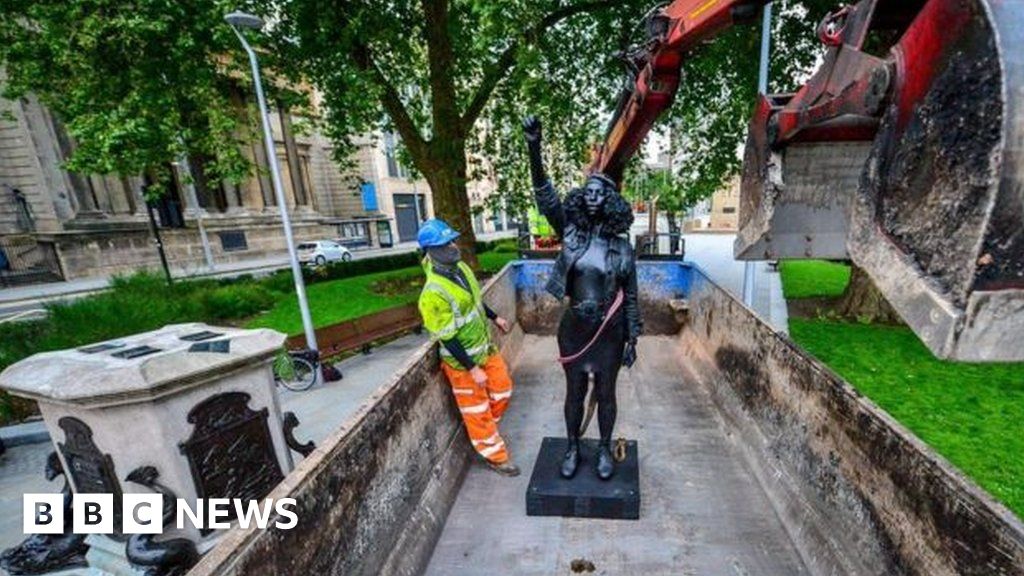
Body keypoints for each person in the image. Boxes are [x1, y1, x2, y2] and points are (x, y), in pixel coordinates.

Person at [522, 115, 642, 481]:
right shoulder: (570, 233)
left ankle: (603, 448)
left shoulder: (622, 249)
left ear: (609, 201)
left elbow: (632, 295)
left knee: (606, 393)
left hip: (609, 332)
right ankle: (573, 446)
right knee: (574, 391)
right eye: (587, 192)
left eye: (599, 194)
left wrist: (632, 338)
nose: (592, 198)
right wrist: (533, 148)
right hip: (574, 328)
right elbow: (545, 196)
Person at [416, 219, 521, 477]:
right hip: (462, 363)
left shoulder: (460, 268)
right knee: (476, 410)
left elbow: (475, 301)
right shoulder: (432, 294)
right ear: (431, 250)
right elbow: (447, 337)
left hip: (484, 348)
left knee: (503, 389)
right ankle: (494, 456)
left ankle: (483, 431)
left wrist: (495, 317)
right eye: (446, 243)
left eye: (452, 240)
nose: (454, 246)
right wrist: (472, 369)